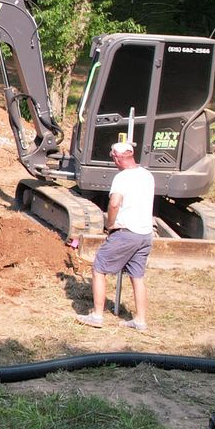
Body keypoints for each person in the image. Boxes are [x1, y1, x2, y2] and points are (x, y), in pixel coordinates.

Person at [76, 139, 154, 331]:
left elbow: (114, 203)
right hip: (145, 234)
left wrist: (110, 224)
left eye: (113, 158)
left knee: (99, 267)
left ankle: (97, 315)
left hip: (126, 232)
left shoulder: (122, 178)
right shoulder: (147, 175)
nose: (113, 162)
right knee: (137, 276)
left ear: (118, 159)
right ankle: (140, 320)